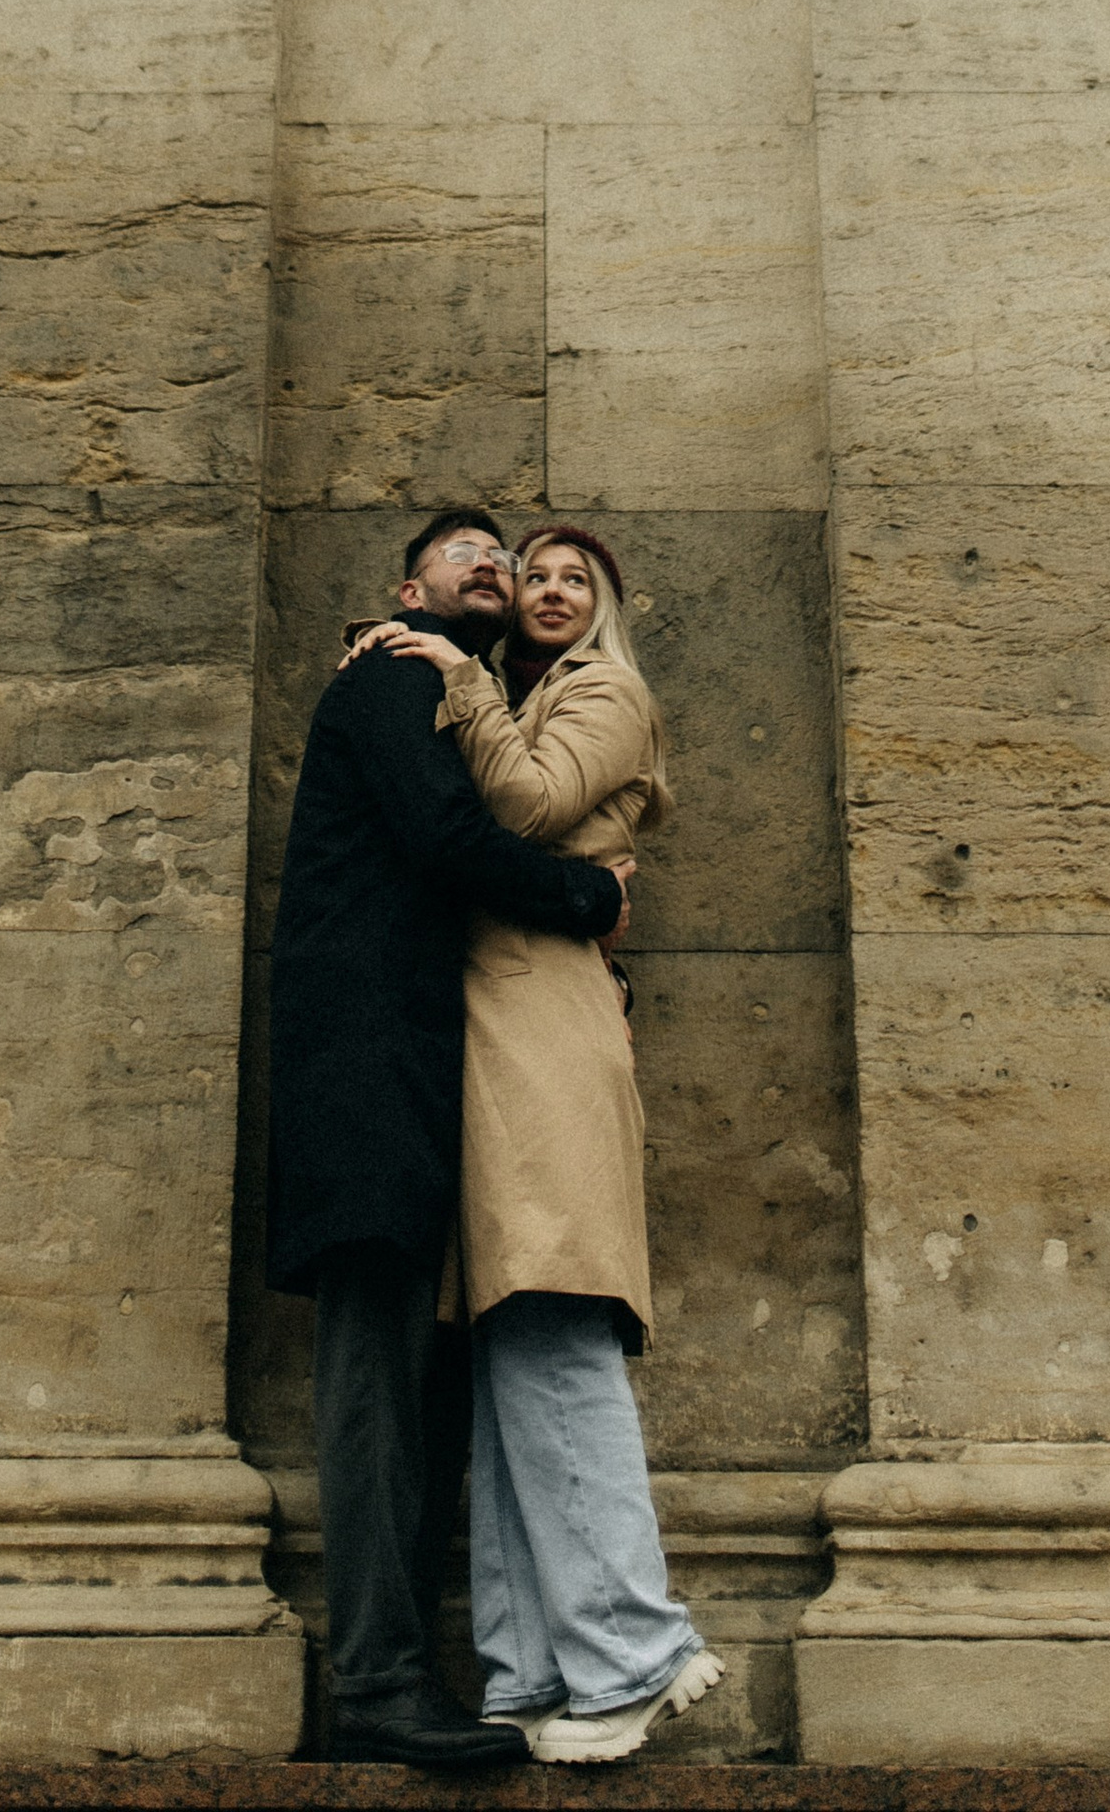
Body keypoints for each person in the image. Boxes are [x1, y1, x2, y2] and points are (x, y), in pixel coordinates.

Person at [267, 506, 632, 1769]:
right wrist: (589, 895)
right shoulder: (391, 676)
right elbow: (448, 839)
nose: (491, 561)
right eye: (463, 549)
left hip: (410, 1079)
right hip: (363, 1077)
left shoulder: (451, 687)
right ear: (404, 586)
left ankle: (407, 1671)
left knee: (410, 1387)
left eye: (504, 552)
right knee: (373, 1381)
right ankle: (374, 1678)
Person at [358, 522, 719, 1766]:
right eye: (535, 574)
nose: (551, 589)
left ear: (605, 607)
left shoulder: (604, 690)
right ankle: (528, 1668)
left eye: (578, 578)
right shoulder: (515, 693)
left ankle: (636, 1651)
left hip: (547, 1028)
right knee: (510, 1340)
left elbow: (526, 803)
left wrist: (454, 679)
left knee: (554, 1317)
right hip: (495, 1030)